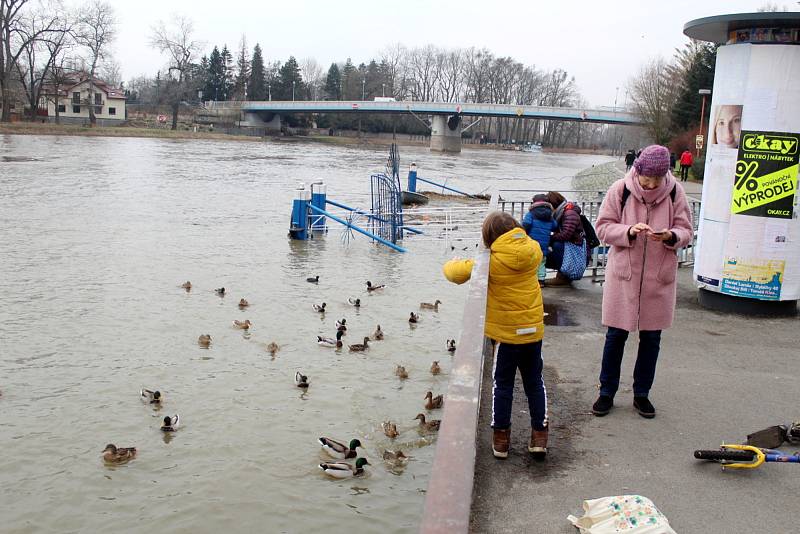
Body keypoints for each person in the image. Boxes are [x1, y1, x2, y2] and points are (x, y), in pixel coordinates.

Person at [591, 145, 694, 419]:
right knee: (615, 337)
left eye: (656, 180)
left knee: (651, 340)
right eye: (646, 179)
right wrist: (628, 231)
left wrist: (671, 236)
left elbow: (686, 231)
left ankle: (641, 395)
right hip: (624, 276)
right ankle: (606, 392)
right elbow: (602, 227)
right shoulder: (620, 190)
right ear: (637, 171)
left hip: (657, 279)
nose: (650, 185)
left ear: (665, 175)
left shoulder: (675, 192)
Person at [443, 212, 548, 459]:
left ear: (490, 237)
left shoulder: (491, 262)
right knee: (534, 383)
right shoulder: (533, 251)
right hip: (533, 331)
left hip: (506, 336)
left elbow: (454, 274)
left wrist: (454, 261)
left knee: (503, 385)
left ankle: (501, 440)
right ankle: (540, 437)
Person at [543, 191, 585, 287]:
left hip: (575, 247)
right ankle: (562, 275)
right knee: (549, 248)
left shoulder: (569, 213)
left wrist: (548, 238)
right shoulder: (563, 212)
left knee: (555, 246)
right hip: (571, 245)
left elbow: (566, 234)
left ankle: (563, 277)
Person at [522, 194, 558, 286]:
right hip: (544, 244)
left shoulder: (531, 214)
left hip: (532, 243)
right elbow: (555, 226)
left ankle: (531, 279)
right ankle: (541, 280)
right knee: (542, 261)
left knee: (532, 261)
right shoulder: (549, 216)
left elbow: (526, 224)